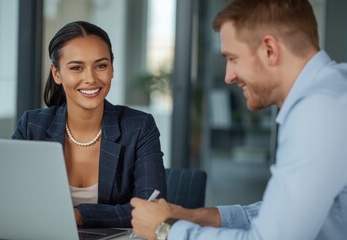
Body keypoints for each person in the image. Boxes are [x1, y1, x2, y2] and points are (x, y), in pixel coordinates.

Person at [130, 0, 347, 239]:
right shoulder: (334, 91)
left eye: (232, 58)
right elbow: (286, 214)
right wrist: (196, 217)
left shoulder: (318, 112)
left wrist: (166, 230)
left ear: (269, 50)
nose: (228, 76)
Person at [12, 21, 167, 228]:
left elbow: (152, 208)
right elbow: (12, 201)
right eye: (77, 68)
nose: (90, 78)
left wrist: (79, 215)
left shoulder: (139, 127)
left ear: (112, 68)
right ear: (56, 73)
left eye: (101, 65)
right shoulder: (32, 126)